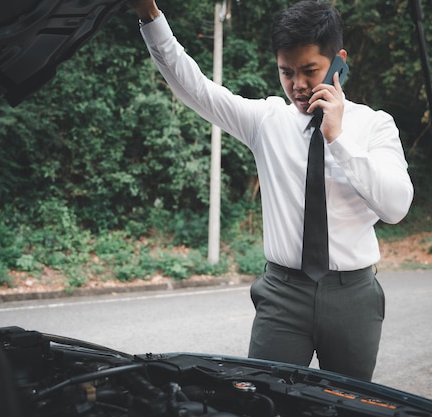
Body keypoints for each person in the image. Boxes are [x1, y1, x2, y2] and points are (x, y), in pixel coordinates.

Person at [129, 0, 414, 381]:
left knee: (348, 405)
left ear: (339, 60)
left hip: (353, 296)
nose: (297, 85)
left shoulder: (375, 126)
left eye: (310, 70)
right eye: (286, 72)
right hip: (283, 293)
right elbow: (195, 88)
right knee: (260, 400)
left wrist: (339, 140)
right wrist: (149, 15)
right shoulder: (267, 120)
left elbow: (396, 207)